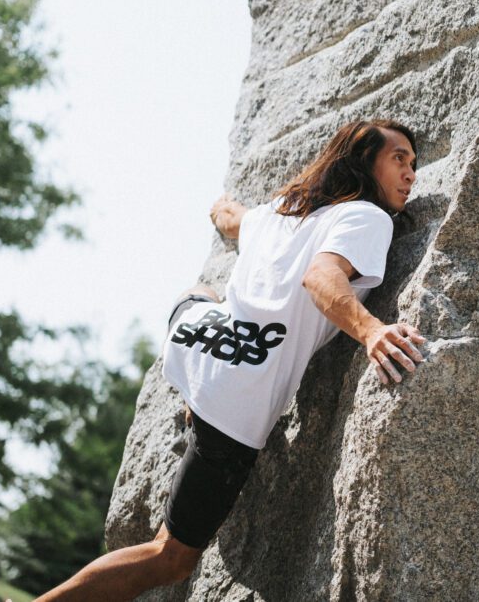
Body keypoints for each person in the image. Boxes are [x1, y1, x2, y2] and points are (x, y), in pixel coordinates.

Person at [31, 119, 426, 601]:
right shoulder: (368, 218)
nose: (411, 173)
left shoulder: (286, 208)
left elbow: (231, 220)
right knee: (171, 557)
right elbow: (322, 278)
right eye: (399, 159)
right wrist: (372, 331)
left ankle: (194, 399)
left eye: (414, 163)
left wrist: (219, 208)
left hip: (195, 335)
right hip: (238, 394)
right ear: (364, 162)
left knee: (199, 291)